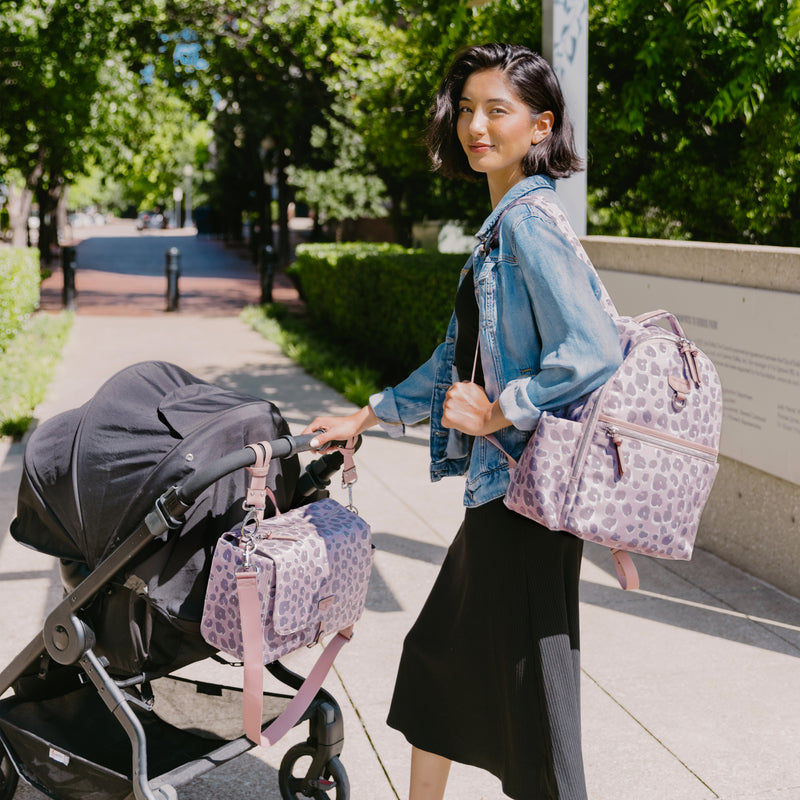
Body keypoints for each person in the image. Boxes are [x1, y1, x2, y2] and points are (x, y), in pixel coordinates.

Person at [305, 43, 622, 800]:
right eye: (469, 109)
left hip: (525, 501)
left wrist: (499, 411)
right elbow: (456, 360)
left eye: (498, 110)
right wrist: (370, 414)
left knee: (537, 713)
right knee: (438, 664)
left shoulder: (527, 225)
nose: (476, 125)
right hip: (502, 495)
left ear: (540, 127)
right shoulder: (498, 230)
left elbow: (593, 348)